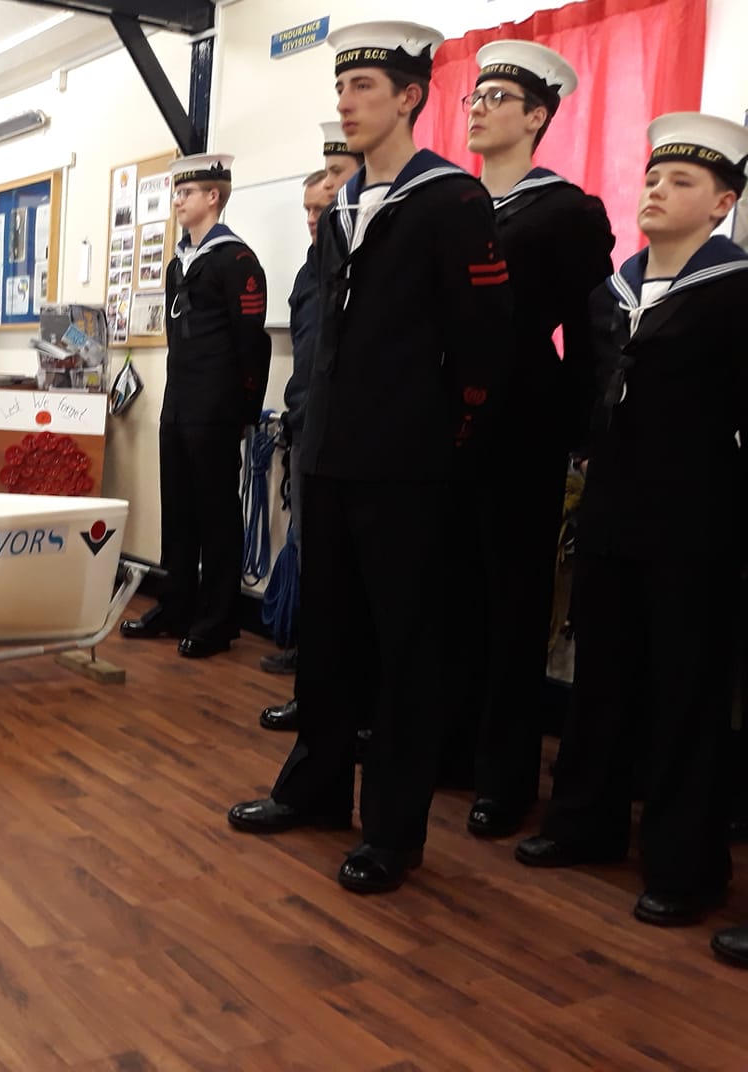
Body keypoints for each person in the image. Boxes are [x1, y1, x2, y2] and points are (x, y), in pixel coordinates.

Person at [227, 21, 513, 895]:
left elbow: (484, 344)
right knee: (330, 641)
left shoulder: (451, 201)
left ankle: (392, 831)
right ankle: (315, 790)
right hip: (331, 455)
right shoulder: (346, 205)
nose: (346, 103)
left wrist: (442, 440)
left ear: (410, 97)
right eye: (341, 88)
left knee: (403, 654)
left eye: (364, 88)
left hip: (408, 465)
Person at [515, 112, 748, 927]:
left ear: (722, 203)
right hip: (613, 511)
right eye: (651, 177)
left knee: (686, 691)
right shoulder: (609, 293)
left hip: (697, 523)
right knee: (602, 675)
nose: (657, 190)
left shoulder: (736, 291)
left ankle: (686, 864)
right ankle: (585, 821)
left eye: (682, 181)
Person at [434, 41, 615, 837]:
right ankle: (450, 747)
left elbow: (591, 330)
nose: (477, 107)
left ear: (537, 116)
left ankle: (504, 775)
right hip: (448, 424)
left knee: (513, 602)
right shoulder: (453, 203)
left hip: (523, 428)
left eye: (497, 97)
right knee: (451, 593)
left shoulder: (565, 211)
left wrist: (579, 431)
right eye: (473, 96)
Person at [118, 152, 271, 659]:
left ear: (213, 196)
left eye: (186, 193)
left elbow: (251, 343)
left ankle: (218, 619)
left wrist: (244, 410)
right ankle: (176, 604)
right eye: (176, 193)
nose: (177, 201)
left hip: (217, 406)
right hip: (180, 403)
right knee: (178, 509)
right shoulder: (177, 263)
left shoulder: (236, 261)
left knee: (216, 515)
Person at [260, 122, 364, 713]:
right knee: (308, 547)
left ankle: (337, 687)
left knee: (338, 561)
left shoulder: (354, 261)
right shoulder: (308, 269)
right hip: (307, 419)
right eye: (306, 208)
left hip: (348, 430)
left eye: (319, 206)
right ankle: (309, 658)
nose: (311, 217)